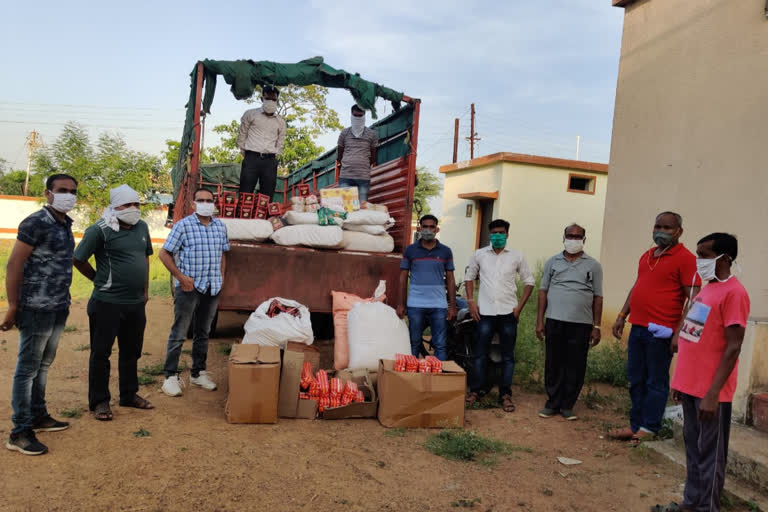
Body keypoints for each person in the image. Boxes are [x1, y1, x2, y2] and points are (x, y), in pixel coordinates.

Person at [666, 233, 749, 512]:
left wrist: (713, 393)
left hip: (711, 392)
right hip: (690, 386)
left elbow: (733, 347)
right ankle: (691, 502)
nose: (698, 260)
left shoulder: (734, 293)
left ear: (724, 258)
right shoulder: (706, 289)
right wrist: (679, 380)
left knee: (710, 457)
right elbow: (692, 336)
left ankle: (706, 507)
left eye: (704, 255)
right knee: (694, 450)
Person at [610, 211, 700, 444]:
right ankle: (635, 424)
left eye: (667, 227)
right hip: (638, 328)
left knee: (655, 381)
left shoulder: (686, 258)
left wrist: (680, 332)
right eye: (657, 226)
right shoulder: (647, 255)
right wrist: (622, 314)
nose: (661, 231)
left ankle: (649, 427)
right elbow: (637, 286)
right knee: (636, 378)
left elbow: (694, 299)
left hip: (662, 332)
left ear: (679, 231)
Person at [3, 174, 78, 455]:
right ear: (48, 193)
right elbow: (14, 264)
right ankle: (19, 431)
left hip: (58, 305)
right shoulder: (35, 223)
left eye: (72, 191)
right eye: (61, 190)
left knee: (43, 365)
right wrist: (12, 306)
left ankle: (38, 415)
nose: (68, 195)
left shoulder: (65, 224)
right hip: (35, 307)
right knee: (27, 369)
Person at [73, 185, 154, 421]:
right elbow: (78, 259)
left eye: (136, 204)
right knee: (101, 353)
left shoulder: (142, 227)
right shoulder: (100, 230)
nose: (133, 209)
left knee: (131, 351)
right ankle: (100, 402)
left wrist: (146, 291)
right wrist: (97, 278)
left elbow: (145, 257)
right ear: (114, 207)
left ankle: (129, 395)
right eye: (126, 205)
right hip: (107, 302)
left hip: (135, 303)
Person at [160, 188, 229, 397]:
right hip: (189, 288)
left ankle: (198, 372)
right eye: (201, 200)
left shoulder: (220, 226)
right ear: (193, 204)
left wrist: (221, 276)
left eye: (209, 200)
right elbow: (164, 254)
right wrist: (180, 277)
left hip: (212, 287)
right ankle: (170, 376)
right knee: (180, 332)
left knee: (203, 332)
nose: (206, 203)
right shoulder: (183, 226)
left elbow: (223, 254)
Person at [465, 219, 535, 413]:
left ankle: (505, 394)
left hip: (508, 313)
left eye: (501, 233)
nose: (497, 236)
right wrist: (471, 301)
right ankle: (476, 391)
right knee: (480, 354)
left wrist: (519, 308)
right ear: (490, 234)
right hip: (484, 313)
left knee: (507, 356)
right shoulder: (479, 255)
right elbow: (469, 277)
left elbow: (529, 281)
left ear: (507, 235)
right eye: (494, 232)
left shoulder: (517, 256)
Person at [536, 224, 603, 421]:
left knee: (575, 363)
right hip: (555, 320)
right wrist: (540, 321)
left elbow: (598, 297)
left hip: (581, 324)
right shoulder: (552, 262)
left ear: (584, 239)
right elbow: (543, 292)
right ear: (563, 237)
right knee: (553, 362)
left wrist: (596, 327)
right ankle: (553, 403)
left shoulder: (593, 265)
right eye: (570, 236)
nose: (573, 239)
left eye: (578, 236)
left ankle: (567, 405)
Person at [397, 215, 457, 360]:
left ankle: (438, 379)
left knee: (440, 345)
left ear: (437, 229)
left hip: (439, 306)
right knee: (413, 344)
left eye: (431, 227)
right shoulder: (410, 250)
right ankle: (411, 379)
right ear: (419, 228)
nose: (428, 230)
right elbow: (403, 278)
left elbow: (450, 279)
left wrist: (452, 306)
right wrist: (401, 304)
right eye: (425, 226)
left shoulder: (445, 251)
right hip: (415, 305)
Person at [237, 85, 286, 199]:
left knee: (267, 194)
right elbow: (242, 135)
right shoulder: (250, 114)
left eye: (273, 99)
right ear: (262, 99)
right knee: (245, 192)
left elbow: (280, 142)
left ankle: (265, 217)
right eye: (268, 98)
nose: (270, 101)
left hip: (270, 161)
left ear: (277, 101)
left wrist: (274, 156)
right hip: (251, 158)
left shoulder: (281, 122)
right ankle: (242, 216)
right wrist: (247, 155)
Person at [336, 104, 378, 203]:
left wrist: (362, 164)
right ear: (351, 116)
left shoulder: (371, 134)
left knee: (362, 207)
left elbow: (374, 156)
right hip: (346, 176)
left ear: (364, 116)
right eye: (355, 116)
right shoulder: (344, 133)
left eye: (360, 116)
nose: (358, 118)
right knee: (345, 207)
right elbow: (339, 155)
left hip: (363, 177)